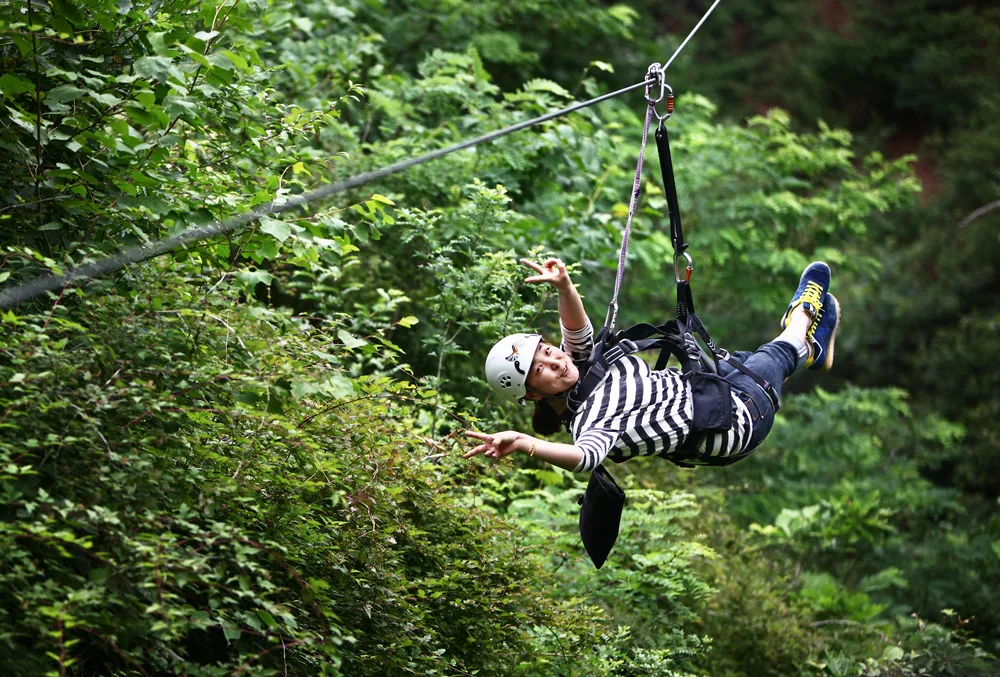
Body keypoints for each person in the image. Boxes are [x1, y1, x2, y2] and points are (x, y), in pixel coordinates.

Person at [464, 257, 841, 472]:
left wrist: (564, 286)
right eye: (540, 369)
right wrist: (524, 443)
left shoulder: (578, 367)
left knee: (744, 360)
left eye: (547, 350)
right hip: (736, 424)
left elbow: (575, 327)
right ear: (532, 393)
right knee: (775, 354)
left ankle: (812, 353)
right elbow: (583, 458)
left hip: (709, 388)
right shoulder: (590, 422)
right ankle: (803, 314)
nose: (555, 361)